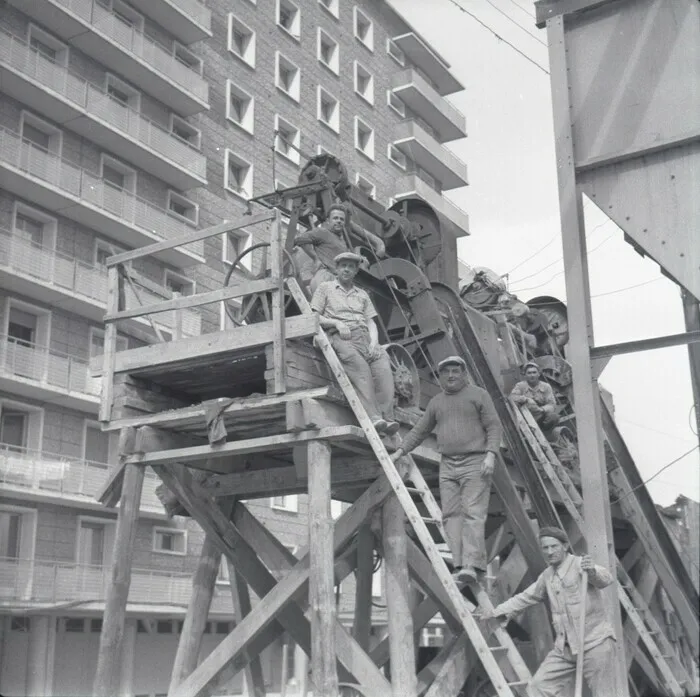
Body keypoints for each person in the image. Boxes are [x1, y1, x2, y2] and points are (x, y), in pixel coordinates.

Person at [390, 356, 502, 583]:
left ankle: (472, 564)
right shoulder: (437, 402)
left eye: (455, 371)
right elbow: (420, 431)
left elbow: (494, 426)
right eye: (446, 372)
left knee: (472, 512)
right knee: (450, 514)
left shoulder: (479, 395)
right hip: (448, 463)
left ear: (464, 374)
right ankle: (460, 564)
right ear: (440, 377)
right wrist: (400, 451)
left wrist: (491, 455)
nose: (450, 376)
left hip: (475, 461)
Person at [479, 526, 617, 697]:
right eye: (545, 548)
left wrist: (593, 571)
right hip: (565, 649)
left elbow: (606, 579)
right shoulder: (547, 576)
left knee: (605, 694)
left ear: (565, 546)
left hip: (594, 644)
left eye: (554, 546)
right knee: (538, 688)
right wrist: (497, 612)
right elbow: (525, 597)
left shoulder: (580, 565)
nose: (550, 552)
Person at [311, 252, 399, 435]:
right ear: (336, 268)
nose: (346, 269)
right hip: (340, 336)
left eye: (351, 267)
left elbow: (371, 322)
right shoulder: (325, 288)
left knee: (383, 365)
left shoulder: (363, 294)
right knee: (361, 370)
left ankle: (387, 418)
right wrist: (336, 323)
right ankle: (374, 418)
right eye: (343, 265)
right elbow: (314, 317)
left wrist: (375, 342)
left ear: (356, 271)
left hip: (365, 337)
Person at [294, 204, 385, 294]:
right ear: (328, 220)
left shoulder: (341, 241)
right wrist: (316, 259)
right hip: (325, 277)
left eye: (342, 219)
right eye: (335, 218)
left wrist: (360, 259)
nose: (339, 221)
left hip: (336, 281)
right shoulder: (322, 232)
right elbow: (301, 239)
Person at [509, 361, 559, 429]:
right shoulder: (520, 386)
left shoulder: (546, 386)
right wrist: (526, 399)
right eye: (529, 373)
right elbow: (512, 397)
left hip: (541, 417)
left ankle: (543, 431)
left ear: (539, 374)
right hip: (525, 418)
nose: (532, 375)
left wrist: (541, 409)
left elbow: (552, 405)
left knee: (554, 417)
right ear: (525, 375)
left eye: (534, 372)